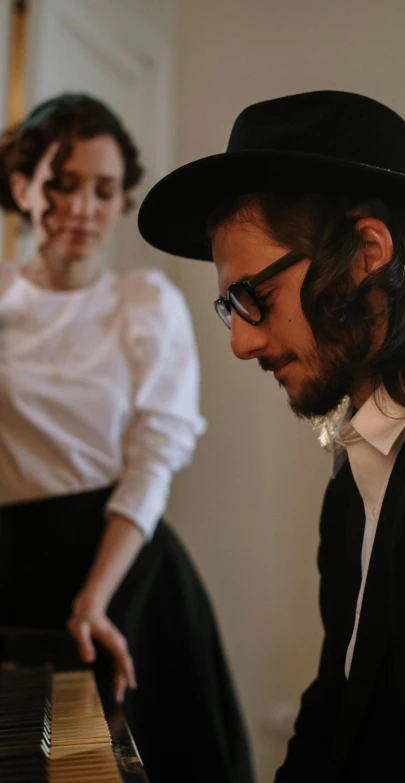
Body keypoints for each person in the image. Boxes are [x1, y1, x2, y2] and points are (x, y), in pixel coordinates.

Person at [138, 90, 405, 781]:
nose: (241, 341)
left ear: (366, 252)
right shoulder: (357, 470)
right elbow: (335, 715)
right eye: (229, 306)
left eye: (256, 296)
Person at [0, 93, 253, 783]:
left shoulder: (145, 302)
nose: (83, 207)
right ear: (22, 185)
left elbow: (154, 458)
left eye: (104, 190)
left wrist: (94, 597)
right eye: (63, 183)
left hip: (126, 572)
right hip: (13, 570)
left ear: (122, 200)